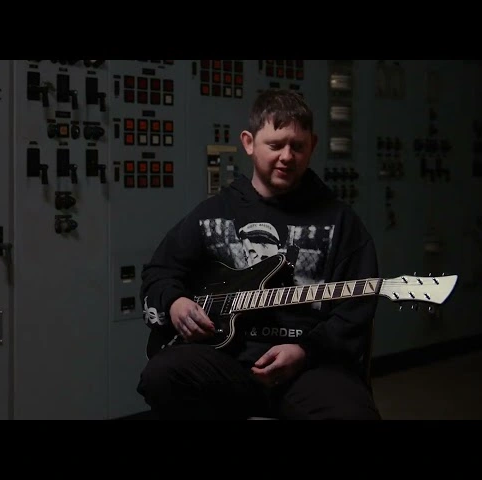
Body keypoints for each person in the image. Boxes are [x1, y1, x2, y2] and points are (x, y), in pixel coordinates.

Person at [136, 88, 382, 420]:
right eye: (275, 145)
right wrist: (174, 303)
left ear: (313, 145)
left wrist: (305, 351)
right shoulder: (214, 213)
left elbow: (357, 308)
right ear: (249, 143)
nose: (287, 156)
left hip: (309, 367)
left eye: (297, 146)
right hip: (227, 362)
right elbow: (159, 272)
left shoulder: (341, 221)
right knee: (161, 375)